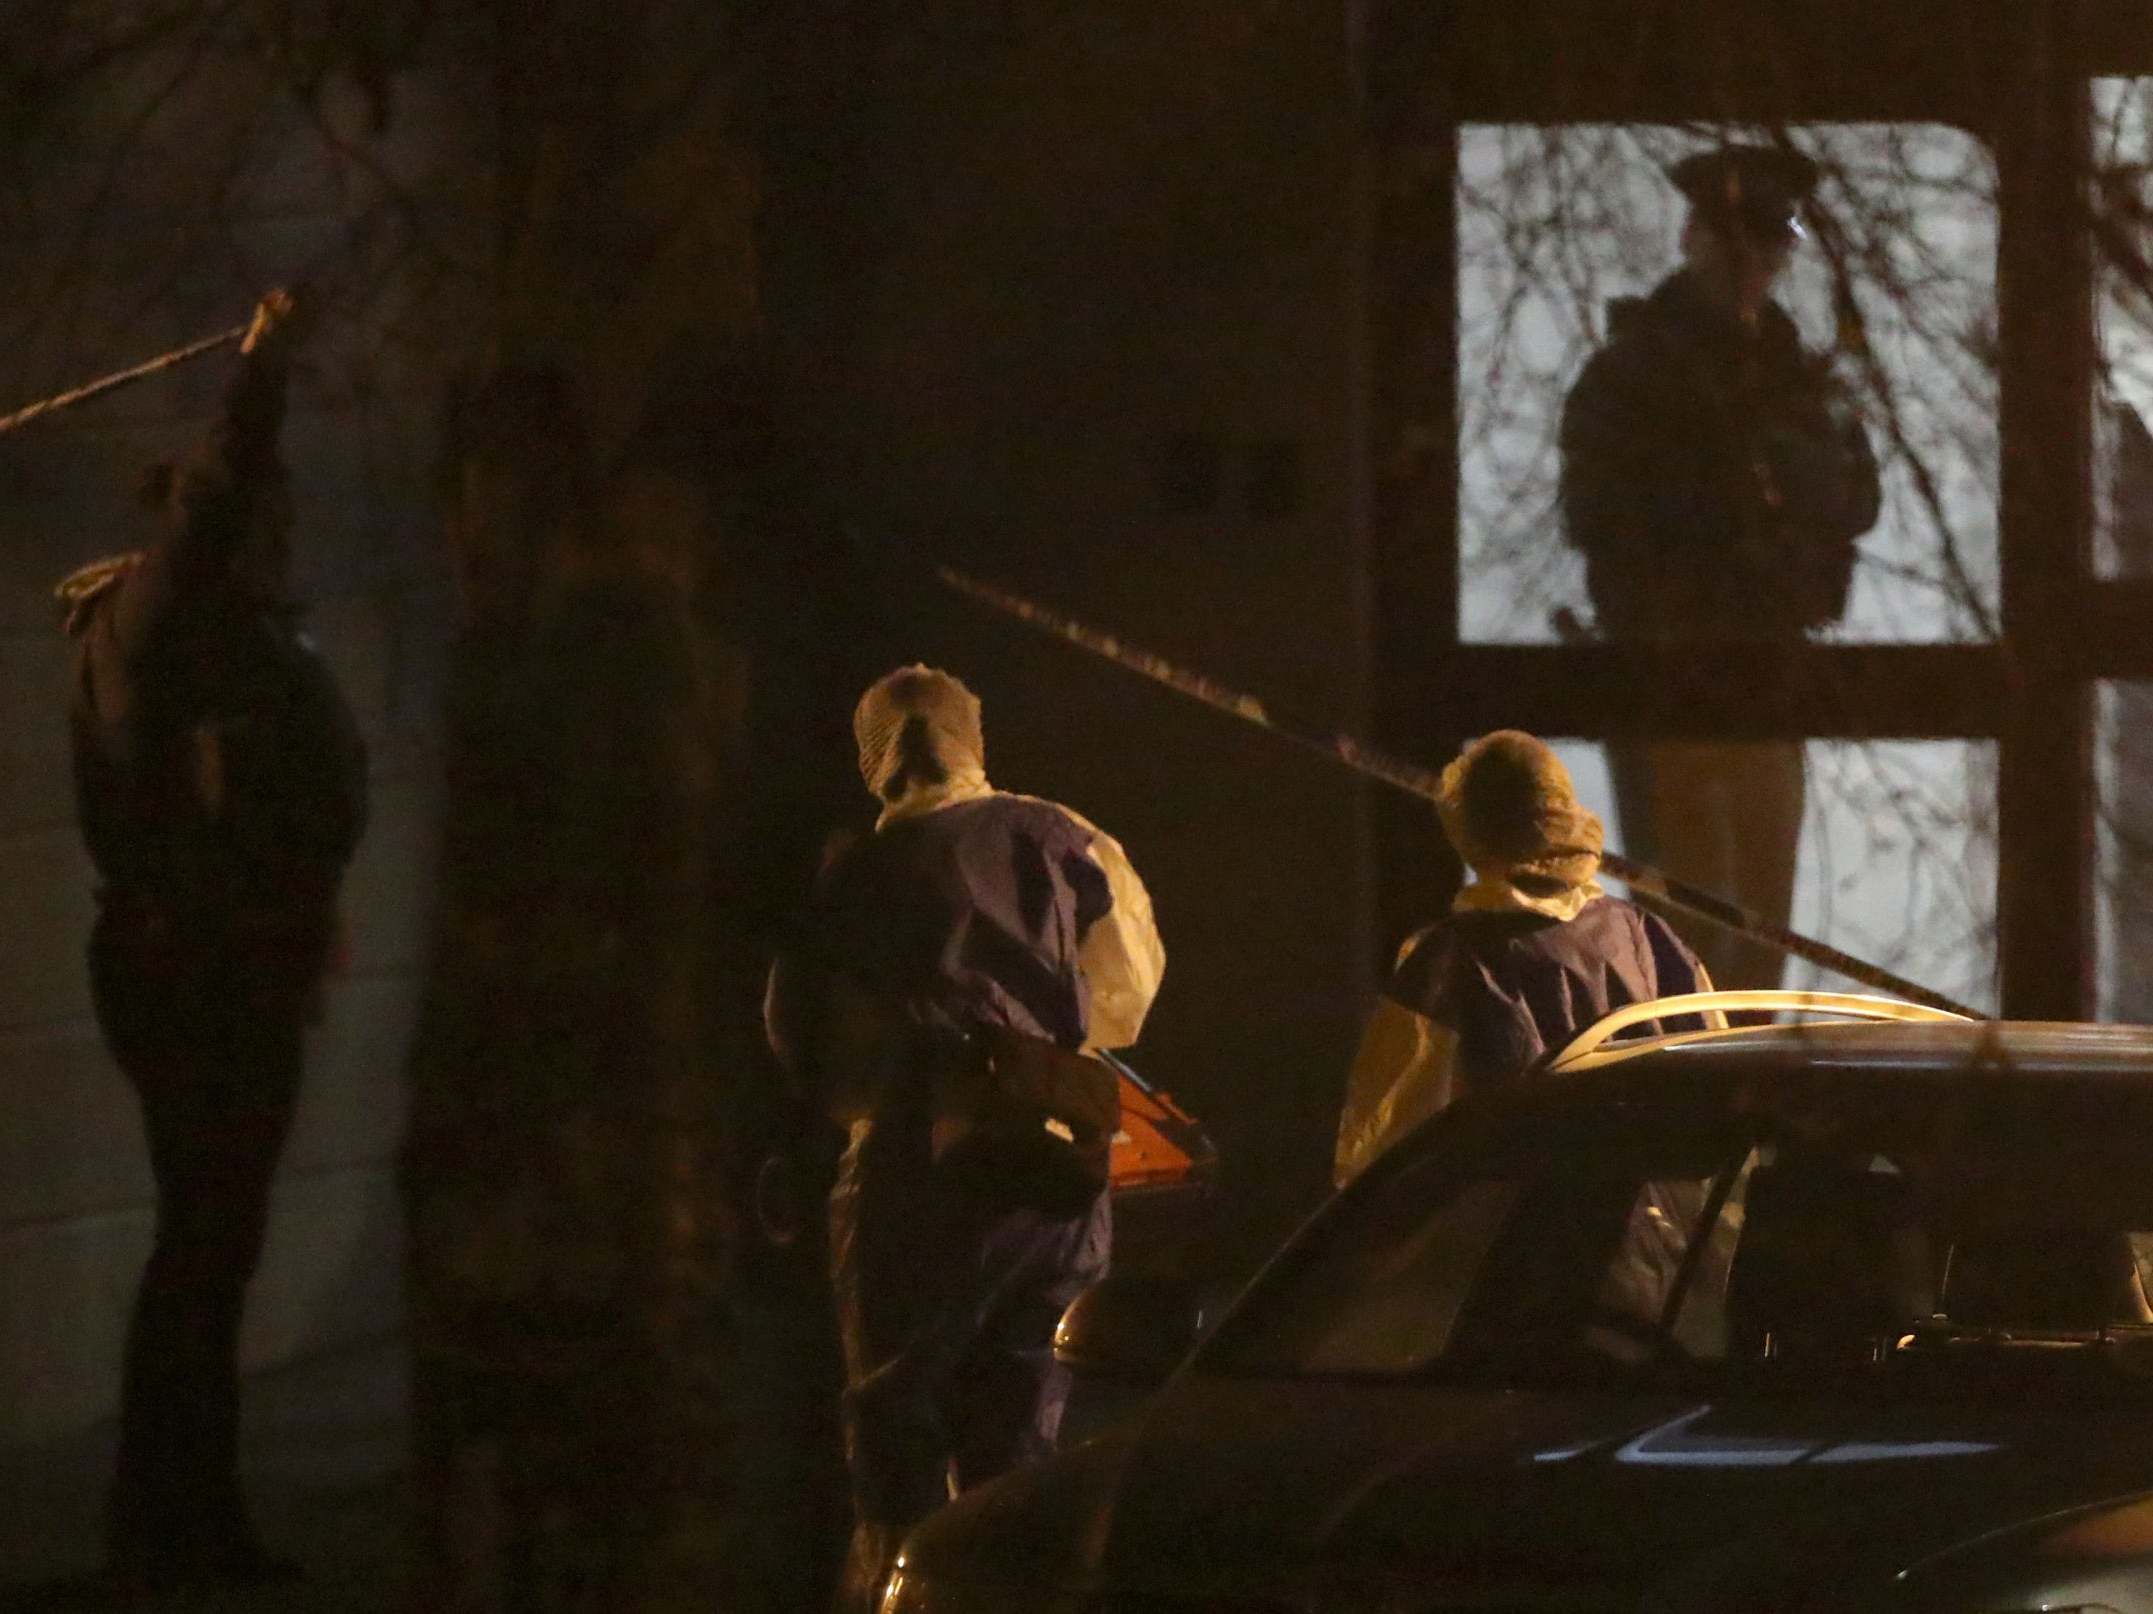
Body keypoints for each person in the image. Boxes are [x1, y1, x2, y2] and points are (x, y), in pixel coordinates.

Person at [55, 288, 367, 1590]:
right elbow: (223, 493)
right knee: (202, 1245)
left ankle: (189, 1512)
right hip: (195, 974)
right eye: (261, 524)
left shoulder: (213, 633)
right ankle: (166, 1525)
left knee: (212, 1245)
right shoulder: (159, 620)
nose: (279, 541)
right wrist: (259, 364)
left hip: (234, 963)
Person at [764, 664, 1163, 1612]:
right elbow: (1129, 991)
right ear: (973, 741)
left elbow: (803, 1037)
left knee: (897, 1417)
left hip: (919, 1172)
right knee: (1024, 1433)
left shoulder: (851, 875)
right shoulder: (1067, 838)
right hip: (1057, 1162)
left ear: (872, 761)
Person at [1558, 143, 1882, 990]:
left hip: (1770, 677)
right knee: (1685, 941)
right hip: (1673, 683)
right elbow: (1600, 518)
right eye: (1736, 244)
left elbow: (1856, 498)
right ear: (1693, 239)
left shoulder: (1798, 384)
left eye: (1771, 245)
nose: (1755, 265)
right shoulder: (1631, 377)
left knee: (1758, 940)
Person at [1333, 730, 1710, 1186]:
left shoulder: (1449, 963)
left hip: (1521, 1244)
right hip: (1658, 1245)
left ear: (1468, 826)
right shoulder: (1646, 938)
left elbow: (1382, 1148)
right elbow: (1721, 1105)